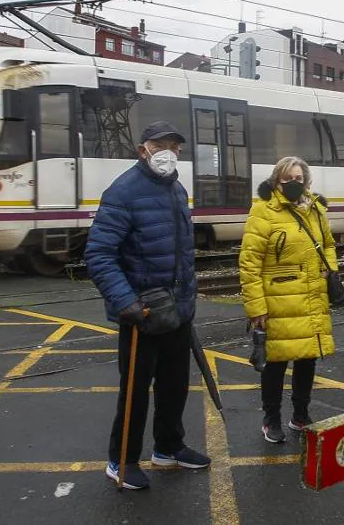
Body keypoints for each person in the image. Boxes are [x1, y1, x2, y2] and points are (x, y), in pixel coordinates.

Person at [87, 121, 211, 491]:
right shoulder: (123, 191)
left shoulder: (177, 190)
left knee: (175, 386)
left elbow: (182, 253)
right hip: (142, 313)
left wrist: (188, 300)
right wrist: (125, 301)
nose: (168, 152)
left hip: (177, 311)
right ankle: (121, 461)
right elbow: (99, 253)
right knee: (136, 391)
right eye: (160, 145)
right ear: (143, 149)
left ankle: (169, 448)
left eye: (174, 146)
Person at [239, 156, 336, 444]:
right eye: (287, 179)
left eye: (299, 179)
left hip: (310, 296)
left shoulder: (315, 209)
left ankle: (300, 415)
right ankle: (271, 419)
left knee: (307, 358)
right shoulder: (262, 212)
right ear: (276, 181)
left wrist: (329, 270)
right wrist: (256, 306)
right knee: (275, 363)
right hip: (277, 299)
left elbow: (328, 245)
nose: (294, 184)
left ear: (306, 182)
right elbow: (249, 263)